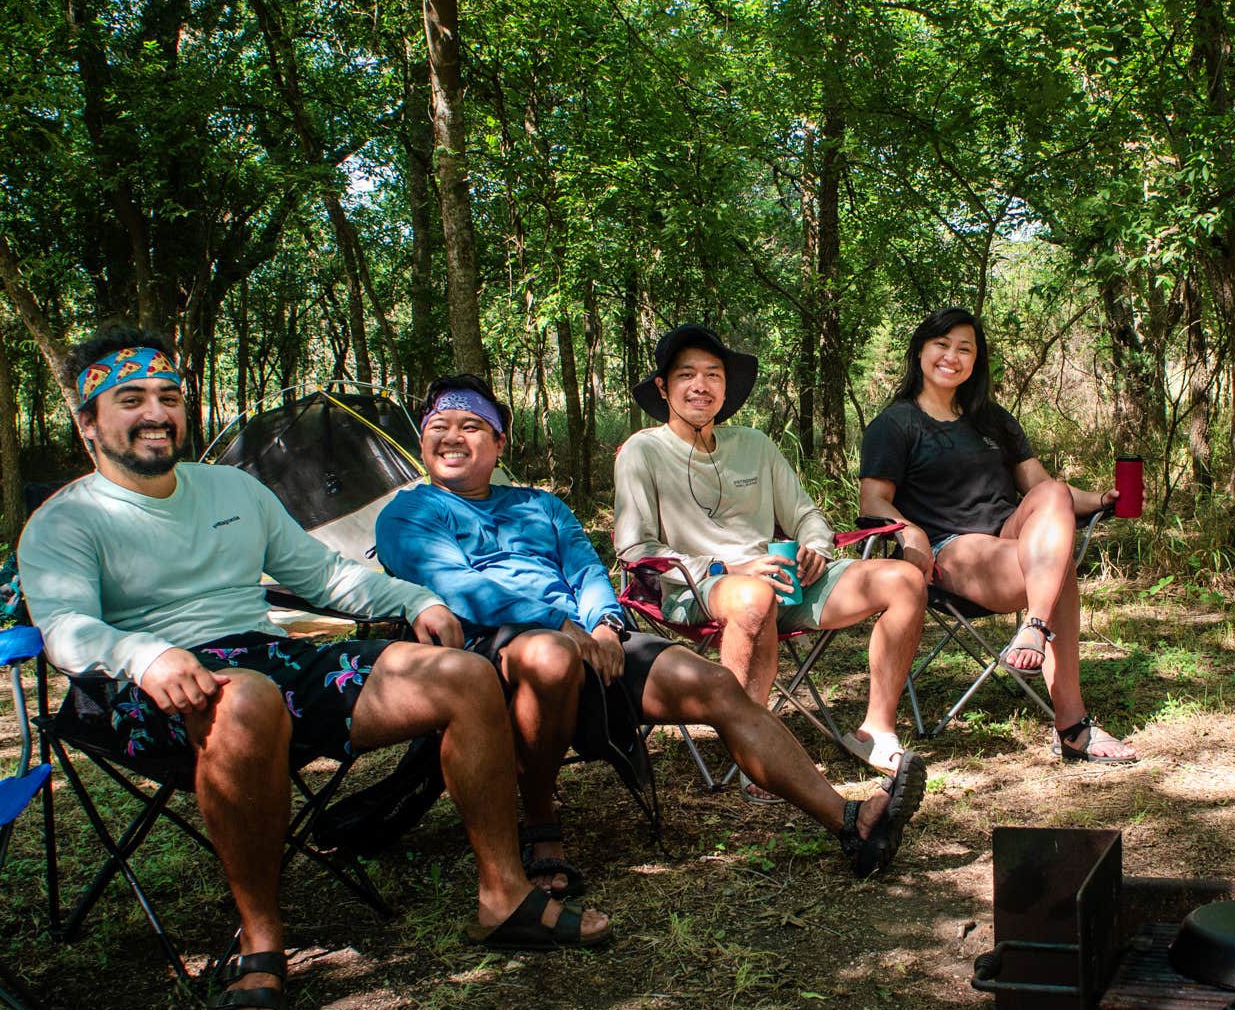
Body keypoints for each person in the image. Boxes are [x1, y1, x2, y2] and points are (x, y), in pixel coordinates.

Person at [17, 328, 609, 1010]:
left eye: (168, 397)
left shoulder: (233, 489)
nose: (155, 412)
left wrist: (412, 599)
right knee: (249, 698)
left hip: (262, 658)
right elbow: (66, 630)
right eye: (130, 399)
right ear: (88, 425)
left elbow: (322, 576)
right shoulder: (67, 519)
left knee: (463, 672)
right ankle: (261, 938)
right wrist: (144, 655)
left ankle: (503, 893)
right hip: (139, 684)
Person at [376, 376, 925, 884]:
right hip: (486, 646)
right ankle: (542, 827)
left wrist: (605, 624)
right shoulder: (407, 514)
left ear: (498, 444)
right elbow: (460, 588)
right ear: (424, 444)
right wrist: (565, 626)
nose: (453, 437)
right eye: (438, 429)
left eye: (471, 426)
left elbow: (586, 568)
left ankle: (850, 821)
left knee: (716, 685)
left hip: (588, 637)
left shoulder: (539, 505)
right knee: (548, 655)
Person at [613, 324, 927, 778]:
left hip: (784, 580)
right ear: (663, 387)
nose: (700, 386)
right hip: (695, 587)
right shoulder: (643, 452)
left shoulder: (755, 445)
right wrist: (732, 567)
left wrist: (815, 547)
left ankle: (876, 728)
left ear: (726, 385)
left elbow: (805, 514)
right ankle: (753, 749)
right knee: (752, 596)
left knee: (903, 579)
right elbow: (635, 547)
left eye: (713, 374)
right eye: (686, 375)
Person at [858, 307, 1138, 763]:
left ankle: (1034, 626)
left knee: (1054, 493)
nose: (952, 357)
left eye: (964, 349)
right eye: (942, 345)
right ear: (921, 352)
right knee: (1059, 562)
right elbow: (872, 502)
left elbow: (1041, 487)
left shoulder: (992, 419)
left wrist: (1103, 500)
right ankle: (1072, 724)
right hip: (952, 551)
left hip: (1015, 545)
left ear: (976, 361)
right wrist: (912, 532)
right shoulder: (896, 424)